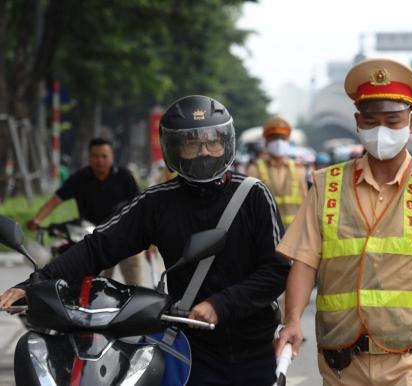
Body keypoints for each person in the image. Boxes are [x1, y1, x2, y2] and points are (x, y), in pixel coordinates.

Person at [2, 95, 290, 386]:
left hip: (255, 345)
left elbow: (277, 270)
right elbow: (98, 246)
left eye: (212, 142)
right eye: (192, 144)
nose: (205, 152)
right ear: (175, 149)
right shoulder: (157, 202)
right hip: (192, 347)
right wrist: (36, 282)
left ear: (226, 143)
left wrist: (221, 304)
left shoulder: (254, 195)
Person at [274, 58, 412, 386]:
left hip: (411, 365)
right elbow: (304, 261)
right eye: (371, 121)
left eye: (392, 120)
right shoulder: (326, 187)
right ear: (357, 121)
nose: (381, 130)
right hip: (342, 365)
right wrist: (292, 321)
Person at [27, 138, 144, 285]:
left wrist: (150, 239)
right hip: (95, 240)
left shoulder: (124, 176)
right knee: (97, 287)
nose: (100, 161)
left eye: (104, 156)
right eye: (96, 156)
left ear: (111, 157)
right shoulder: (79, 178)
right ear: (89, 157)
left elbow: (141, 206)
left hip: (126, 238)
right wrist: (38, 219)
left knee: (135, 286)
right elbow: (55, 200)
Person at [246, 117, 308, 228]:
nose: (278, 142)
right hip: (267, 234)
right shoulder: (254, 169)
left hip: (293, 235)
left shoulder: (299, 169)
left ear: (288, 141)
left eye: (283, 138)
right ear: (266, 142)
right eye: (274, 138)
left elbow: (306, 204)